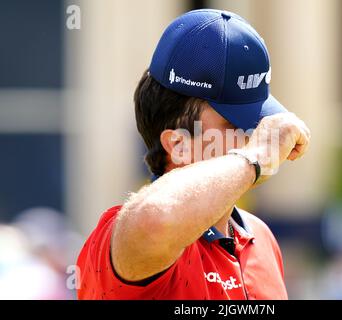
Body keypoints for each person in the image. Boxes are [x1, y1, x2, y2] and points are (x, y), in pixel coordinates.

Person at [76, 9, 310, 300]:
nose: (255, 134)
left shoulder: (259, 235)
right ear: (178, 145)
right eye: (235, 123)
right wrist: (256, 157)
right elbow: (156, 217)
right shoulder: (125, 236)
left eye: (260, 120)